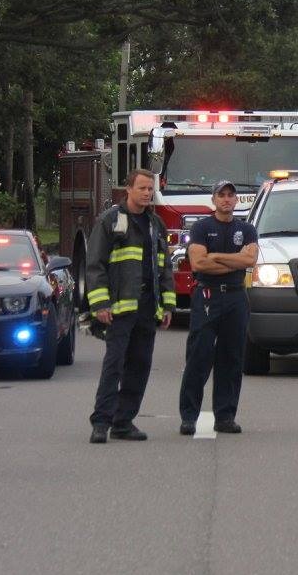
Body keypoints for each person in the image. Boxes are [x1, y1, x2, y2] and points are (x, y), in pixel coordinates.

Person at [85, 169, 176, 444]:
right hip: (119, 309)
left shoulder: (155, 223)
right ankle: (101, 422)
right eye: (143, 188)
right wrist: (100, 303)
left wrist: (168, 305)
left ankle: (123, 422)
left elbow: (165, 267)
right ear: (128, 189)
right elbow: (95, 265)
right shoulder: (111, 221)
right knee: (114, 366)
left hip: (148, 308)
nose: (148, 193)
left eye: (151, 189)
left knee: (140, 365)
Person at [177, 180, 259, 435]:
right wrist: (233, 262)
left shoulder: (246, 229)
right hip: (208, 295)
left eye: (230, 196)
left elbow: (250, 259)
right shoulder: (202, 227)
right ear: (213, 200)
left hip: (236, 298)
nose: (226, 199)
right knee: (199, 357)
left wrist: (217, 256)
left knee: (232, 359)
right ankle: (189, 416)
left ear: (236, 201)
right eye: (221, 195)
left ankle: (225, 416)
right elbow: (199, 264)